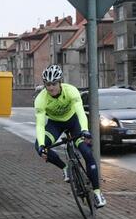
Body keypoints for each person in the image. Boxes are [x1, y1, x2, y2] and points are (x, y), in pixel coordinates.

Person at [34, 64, 106, 208]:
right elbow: (40, 125)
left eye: (54, 84)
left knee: (86, 152)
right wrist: (42, 145)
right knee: (38, 146)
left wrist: (84, 130)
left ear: (60, 82)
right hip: (55, 125)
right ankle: (65, 167)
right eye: (47, 84)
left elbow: (80, 112)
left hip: (74, 122)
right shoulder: (41, 99)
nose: (51, 88)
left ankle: (97, 193)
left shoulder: (71, 91)